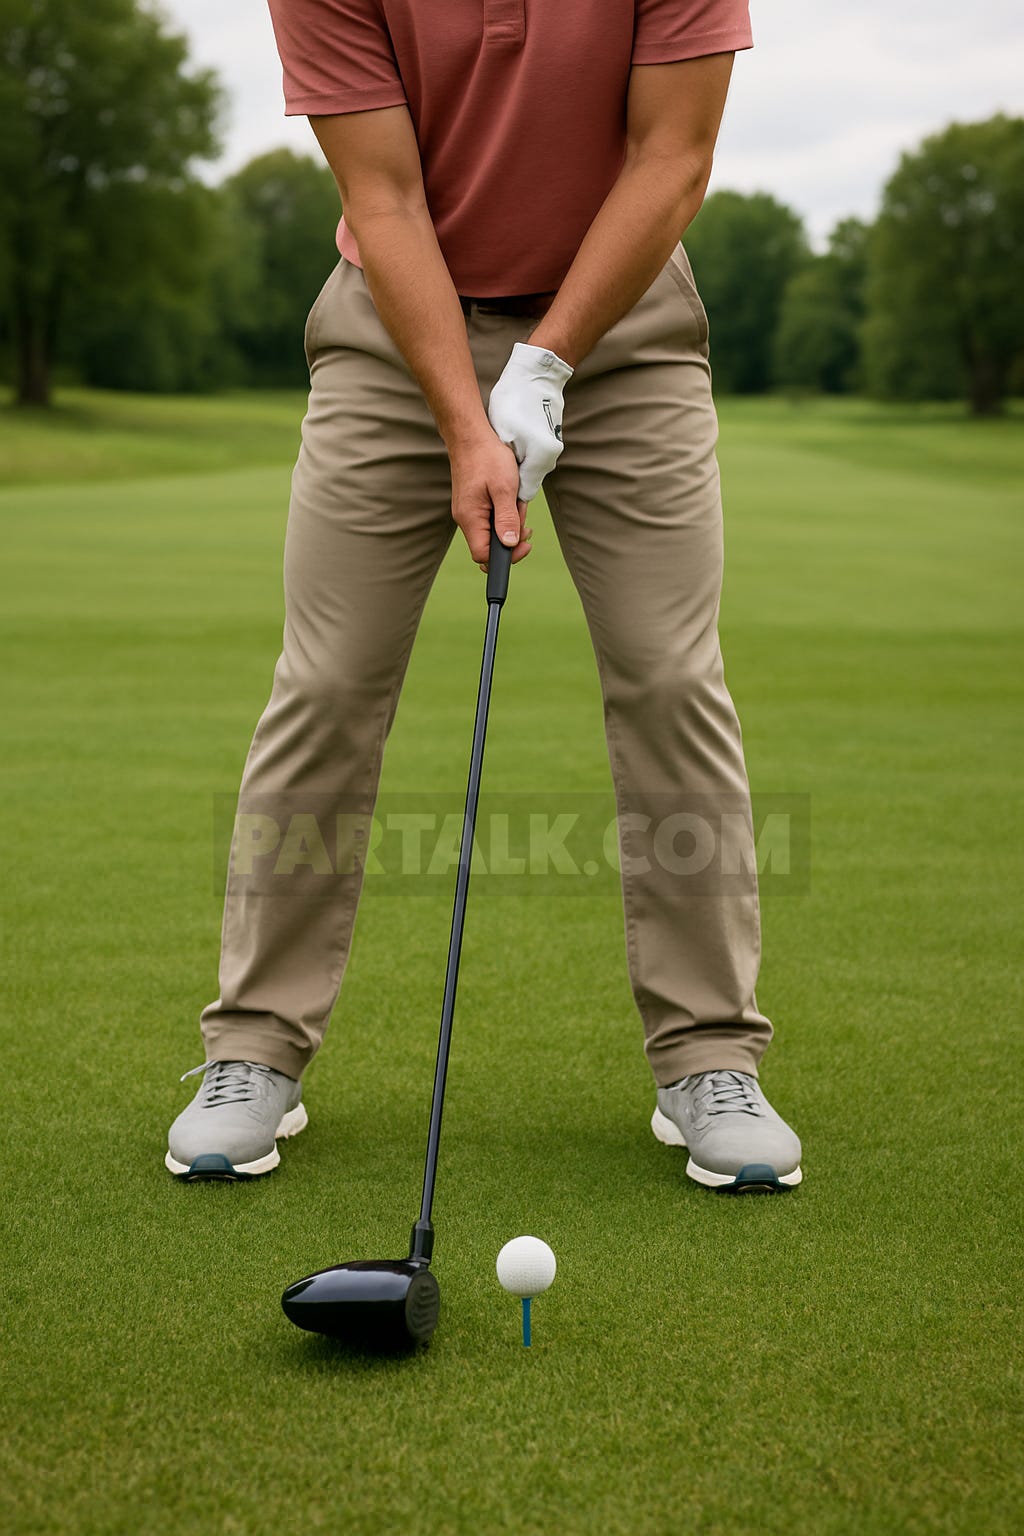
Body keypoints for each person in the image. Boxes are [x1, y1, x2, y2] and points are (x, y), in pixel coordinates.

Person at [166, 0, 802, 1193]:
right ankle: (252, 1051)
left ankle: (709, 1058)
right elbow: (386, 199)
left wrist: (549, 364)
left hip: (623, 331)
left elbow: (673, 155)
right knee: (330, 680)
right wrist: (470, 417)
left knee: (670, 676)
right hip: (396, 331)